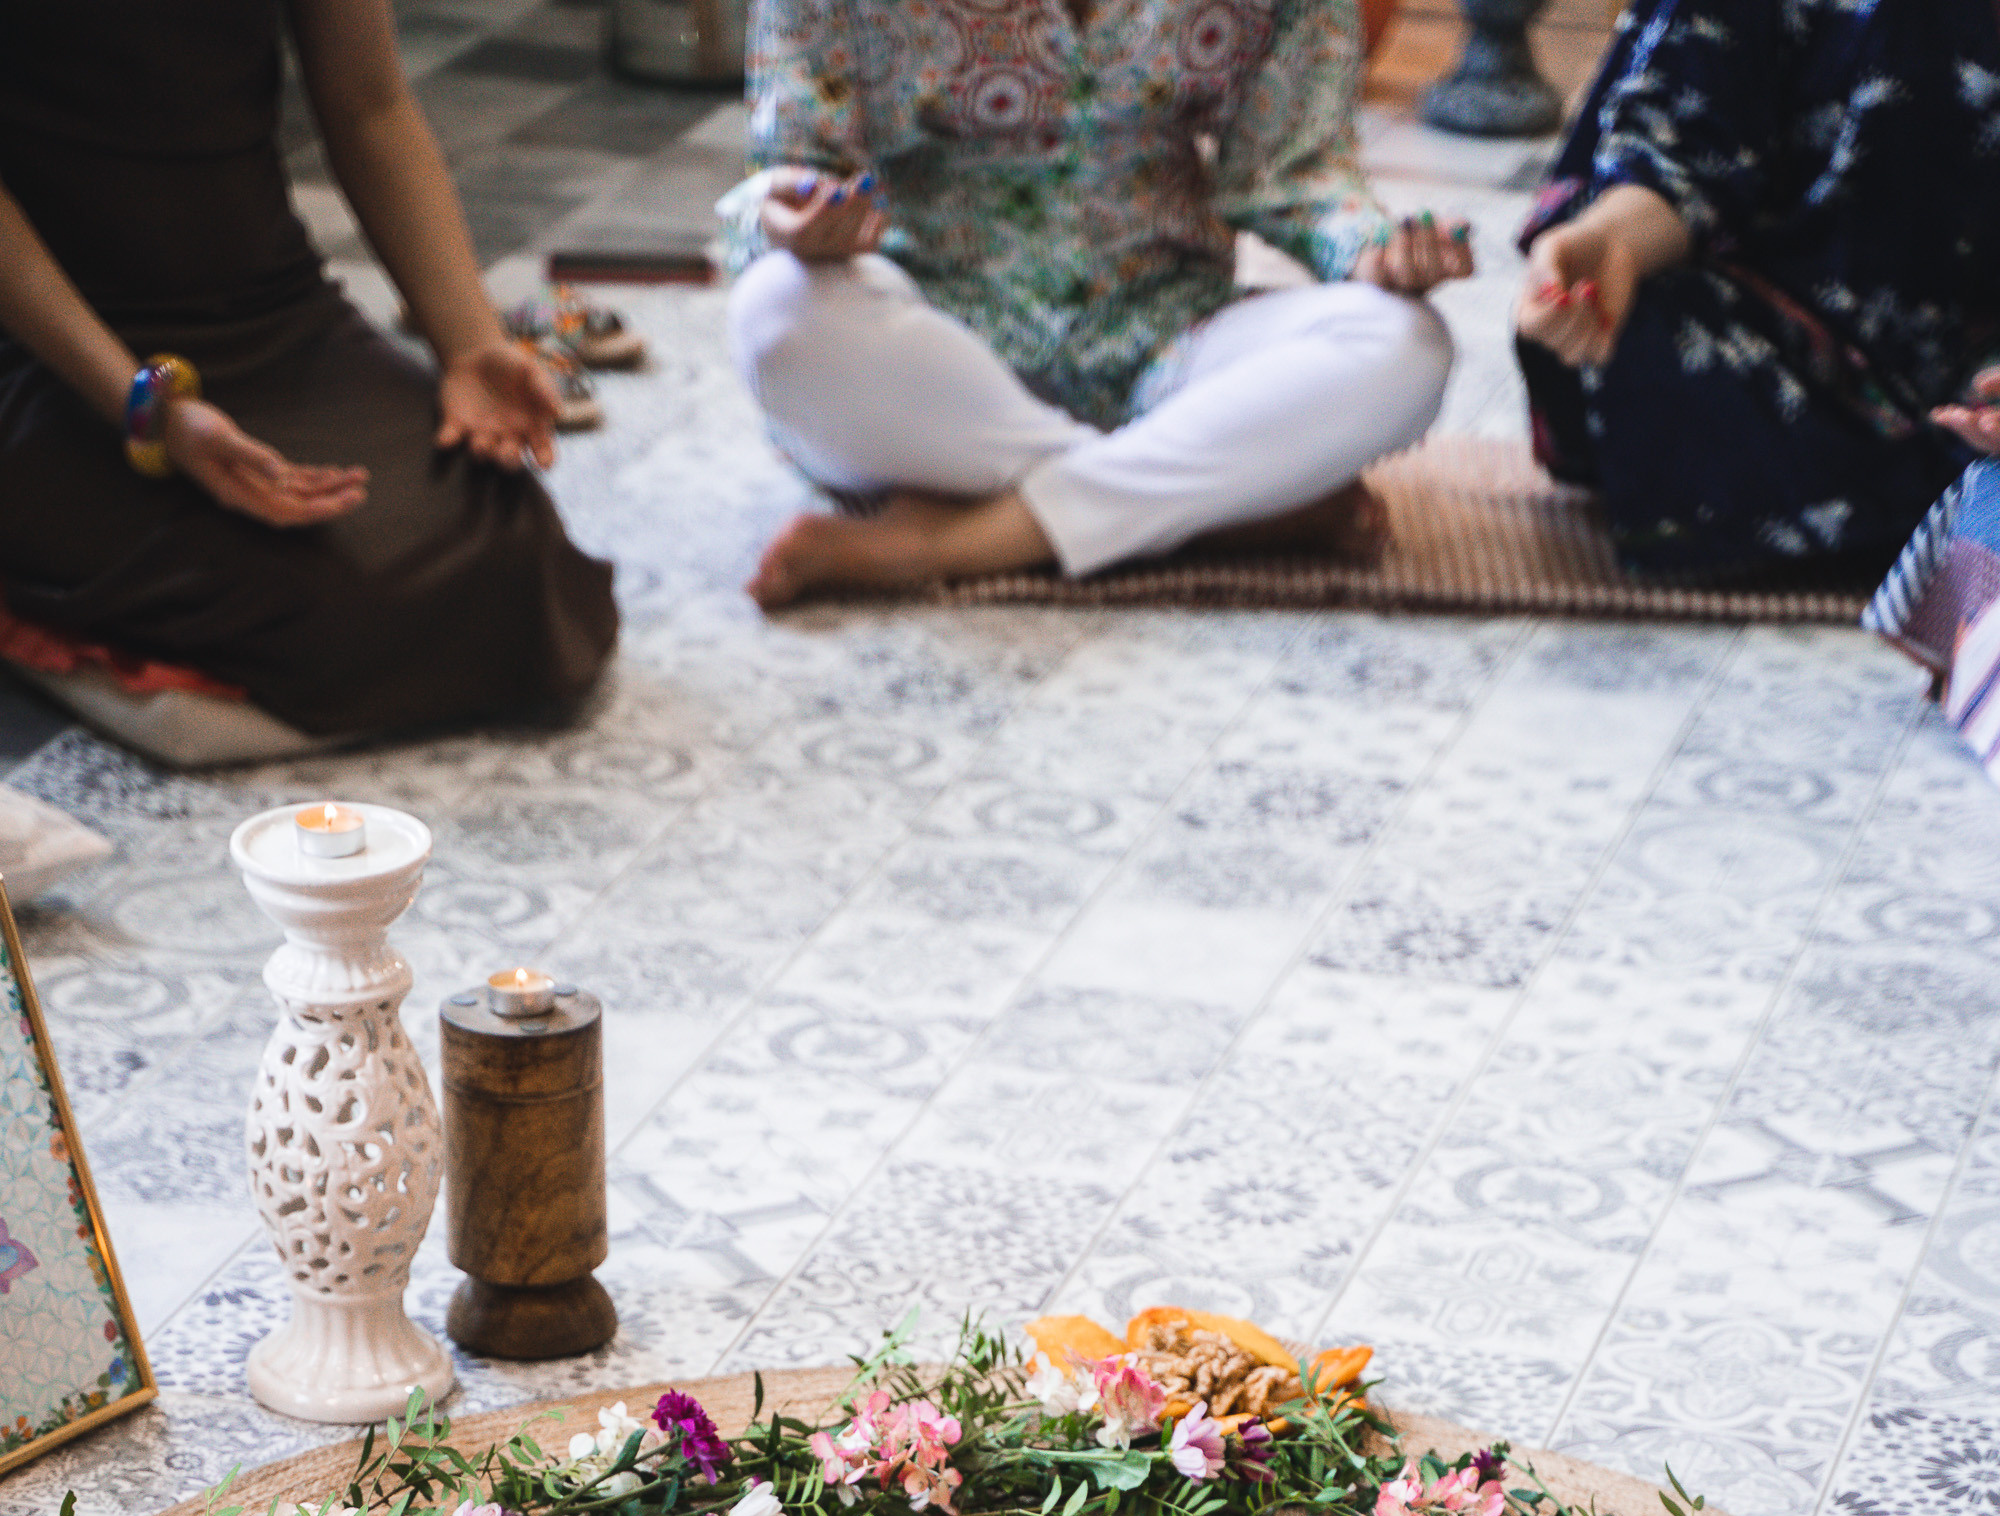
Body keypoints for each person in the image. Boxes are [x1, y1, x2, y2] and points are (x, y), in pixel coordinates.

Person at [0, 0, 617, 741]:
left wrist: (471, 343)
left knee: (511, 548)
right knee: (321, 593)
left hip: (274, 312)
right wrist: (153, 411)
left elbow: (373, 107)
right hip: (51, 350)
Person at [721, 0, 1471, 609]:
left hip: (1168, 341)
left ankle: (954, 540)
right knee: (776, 315)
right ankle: (1214, 510)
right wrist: (796, 221)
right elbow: (799, 162)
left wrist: (1372, 248)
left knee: (1405, 342)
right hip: (934, 366)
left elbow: (1297, 170)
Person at [1512, 0, 2000, 581]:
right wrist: (1609, 242)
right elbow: (1678, 143)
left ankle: (1942, 501)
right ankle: (1947, 500)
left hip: (1977, 362)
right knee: (1641, 335)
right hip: (1790, 353)